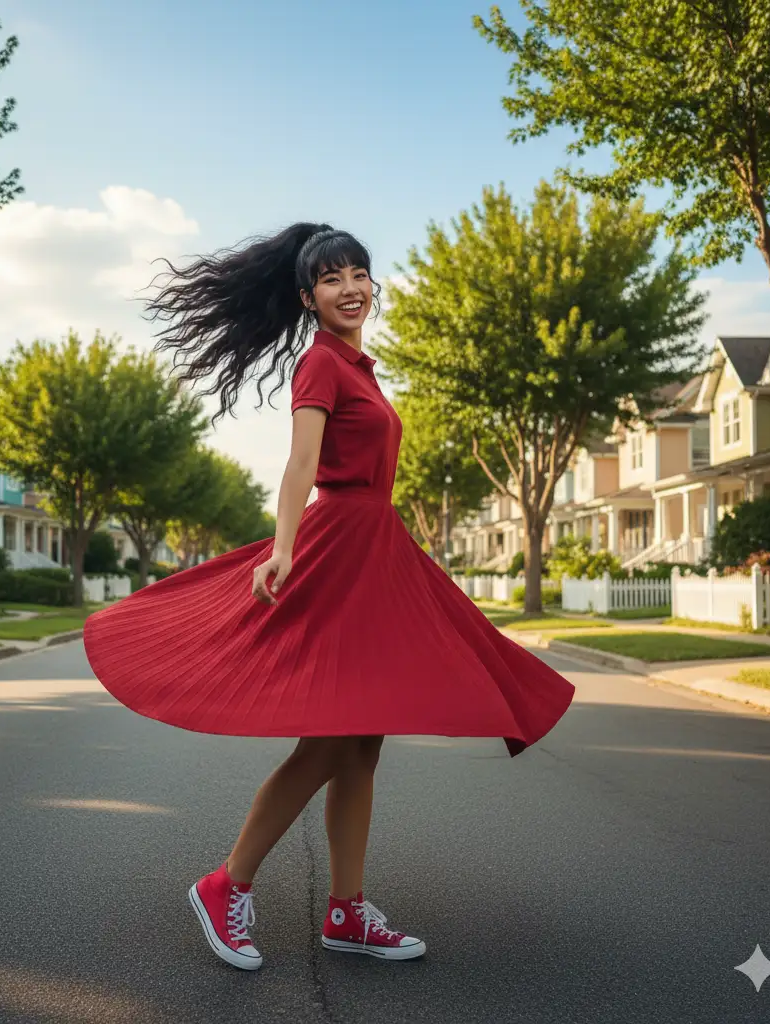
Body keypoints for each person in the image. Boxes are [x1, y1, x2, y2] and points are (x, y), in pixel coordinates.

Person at [83, 223, 575, 971]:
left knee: (362, 745)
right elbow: (300, 465)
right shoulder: (319, 363)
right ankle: (225, 884)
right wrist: (282, 548)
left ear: (373, 285)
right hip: (341, 550)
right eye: (331, 278)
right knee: (331, 742)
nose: (350, 288)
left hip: (376, 551)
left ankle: (345, 910)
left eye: (359, 274)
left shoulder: (360, 368)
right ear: (308, 297)